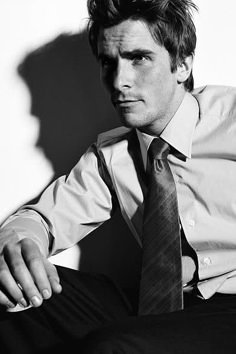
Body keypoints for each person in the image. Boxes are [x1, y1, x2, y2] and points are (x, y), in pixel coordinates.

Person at [1, 0, 236, 352]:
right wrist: (19, 245)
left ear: (182, 64)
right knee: (11, 298)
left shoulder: (230, 121)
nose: (119, 81)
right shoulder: (111, 156)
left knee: (115, 346)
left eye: (139, 58)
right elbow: (43, 219)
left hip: (229, 306)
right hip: (157, 307)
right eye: (108, 62)